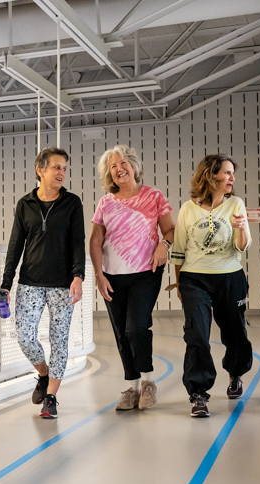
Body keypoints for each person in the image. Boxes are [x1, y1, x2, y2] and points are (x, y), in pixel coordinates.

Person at [0, 146, 86, 419]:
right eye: (56, 167)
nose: (61, 172)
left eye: (64, 168)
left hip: (63, 285)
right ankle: (43, 374)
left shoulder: (72, 203)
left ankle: (51, 397)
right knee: (24, 336)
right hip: (30, 282)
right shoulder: (25, 204)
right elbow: (15, 246)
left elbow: (77, 243)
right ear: (40, 169)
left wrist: (78, 277)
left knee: (59, 341)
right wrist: (6, 284)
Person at [89, 145, 175, 411]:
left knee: (135, 328)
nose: (119, 169)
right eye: (113, 166)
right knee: (120, 334)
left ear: (135, 166)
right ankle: (132, 386)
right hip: (113, 276)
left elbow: (171, 229)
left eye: (123, 162)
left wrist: (164, 245)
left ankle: (148, 381)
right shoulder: (106, 202)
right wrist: (99, 275)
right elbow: (94, 240)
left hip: (145, 273)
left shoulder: (154, 196)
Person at [169, 154, 254, 418]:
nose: (232, 179)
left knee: (235, 334)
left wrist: (241, 228)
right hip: (195, 278)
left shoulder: (236, 204)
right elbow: (179, 251)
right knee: (196, 334)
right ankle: (198, 393)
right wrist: (180, 283)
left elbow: (243, 246)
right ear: (211, 175)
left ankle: (235, 372)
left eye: (232, 174)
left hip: (230, 276)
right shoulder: (187, 209)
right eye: (227, 173)